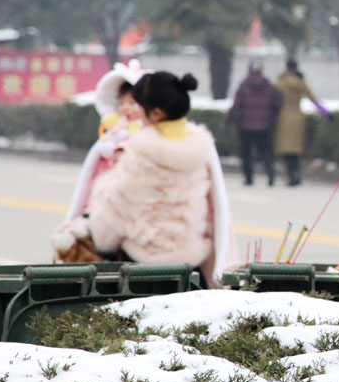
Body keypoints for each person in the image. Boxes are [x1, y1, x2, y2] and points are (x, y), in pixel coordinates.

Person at [83, 70, 237, 286]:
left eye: (139, 107)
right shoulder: (201, 149)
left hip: (145, 267)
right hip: (191, 263)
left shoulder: (140, 154)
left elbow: (108, 225)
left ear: (155, 114)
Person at [52, 60, 150, 260]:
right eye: (121, 103)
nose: (125, 108)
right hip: (101, 206)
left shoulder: (146, 136)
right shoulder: (112, 134)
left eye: (132, 103)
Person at [274, 58, 332, 186]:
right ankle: (297, 174)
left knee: (286, 149)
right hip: (298, 117)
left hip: (283, 117)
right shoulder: (301, 82)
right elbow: (313, 98)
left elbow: (271, 97)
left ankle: (291, 175)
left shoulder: (281, 82)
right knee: (295, 148)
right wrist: (326, 113)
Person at [224, 61, 282, 186]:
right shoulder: (268, 85)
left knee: (246, 153)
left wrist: (227, 118)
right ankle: (270, 173)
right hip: (264, 126)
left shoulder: (244, 85)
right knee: (266, 151)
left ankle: (249, 178)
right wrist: (272, 119)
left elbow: (237, 105)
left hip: (246, 125)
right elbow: (276, 104)